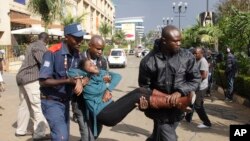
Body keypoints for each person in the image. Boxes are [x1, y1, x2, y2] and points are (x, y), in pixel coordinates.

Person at [68, 59, 196, 139]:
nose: (94, 65)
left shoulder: (100, 74)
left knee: (138, 90)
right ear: (84, 70)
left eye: (93, 63)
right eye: (90, 65)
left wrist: (108, 89)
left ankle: (177, 102)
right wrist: (79, 79)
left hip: (111, 107)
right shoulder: (86, 81)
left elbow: (117, 76)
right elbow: (70, 71)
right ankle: (178, 102)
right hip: (104, 114)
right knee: (136, 96)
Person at [138, 25, 201, 141]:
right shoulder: (148, 61)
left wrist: (180, 91)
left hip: (179, 107)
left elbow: (195, 79)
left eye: (180, 40)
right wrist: (145, 105)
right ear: (164, 41)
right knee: (169, 137)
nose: (179, 44)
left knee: (158, 136)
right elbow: (144, 87)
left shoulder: (187, 56)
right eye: (175, 41)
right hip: (159, 110)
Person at [39, 23, 85, 141]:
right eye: (76, 38)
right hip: (51, 101)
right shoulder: (52, 53)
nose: (80, 41)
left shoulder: (77, 54)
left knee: (64, 136)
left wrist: (82, 79)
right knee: (61, 137)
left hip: (65, 103)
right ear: (67, 37)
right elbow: (43, 81)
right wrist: (68, 81)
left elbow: (82, 73)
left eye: (81, 38)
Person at [71, 35, 108, 141]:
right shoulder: (78, 58)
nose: (100, 52)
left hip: (96, 102)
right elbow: (70, 74)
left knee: (96, 130)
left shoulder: (103, 61)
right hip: (80, 103)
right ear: (90, 45)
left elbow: (106, 78)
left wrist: (107, 89)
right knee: (87, 135)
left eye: (102, 49)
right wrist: (79, 80)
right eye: (98, 48)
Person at [15, 32, 50, 140]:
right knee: (37, 106)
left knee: (24, 105)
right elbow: (44, 63)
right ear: (47, 40)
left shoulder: (31, 45)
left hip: (22, 77)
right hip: (31, 78)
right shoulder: (40, 47)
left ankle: (20, 130)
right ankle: (40, 133)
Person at [185, 47, 212, 128]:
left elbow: (204, 75)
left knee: (198, 105)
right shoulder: (196, 60)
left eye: (196, 53)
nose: (195, 54)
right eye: (194, 53)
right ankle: (188, 118)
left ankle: (207, 123)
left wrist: (194, 81)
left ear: (201, 53)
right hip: (196, 86)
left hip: (201, 87)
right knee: (191, 101)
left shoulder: (203, 61)